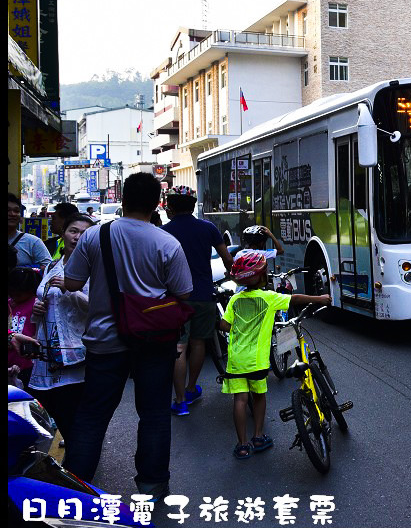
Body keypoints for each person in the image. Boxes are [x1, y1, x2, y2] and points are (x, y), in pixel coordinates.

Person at [61, 172, 193, 500]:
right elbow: (184, 293)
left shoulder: (95, 237)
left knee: (92, 415)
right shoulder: (167, 243)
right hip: (154, 342)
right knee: (154, 413)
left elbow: (73, 283)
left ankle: (76, 486)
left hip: (105, 342)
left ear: (123, 199)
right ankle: (151, 485)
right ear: (155, 204)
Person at [220, 250, 329, 460]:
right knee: (258, 397)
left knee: (240, 400)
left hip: (236, 359)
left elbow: (225, 325)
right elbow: (294, 298)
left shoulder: (234, 300)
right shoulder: (268, 298)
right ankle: (258, 437)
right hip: (257, 361)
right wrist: (320, 298)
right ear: (261, 277)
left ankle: (242, 445)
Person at [161, 188, 232, 416]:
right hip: (203, 295)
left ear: (170, 206)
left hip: (175, 299)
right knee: (199, 342)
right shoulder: (208, 228)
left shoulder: (164, 232)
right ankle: (191, 388)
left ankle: (180, 400)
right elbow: (228, 260)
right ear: (193, 205)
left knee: (179, 347)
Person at [29, 214, 95, 443]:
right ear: (63, 234)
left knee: (71, 409)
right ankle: (79, 452)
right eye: (73, 231)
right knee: (51, 404)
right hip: (48, 352)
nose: (77, 237)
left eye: (84, 233)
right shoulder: (52, 265)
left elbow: (100, 308)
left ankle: (79, 463)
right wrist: (37, 309)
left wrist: (71, 290)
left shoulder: (93, 267)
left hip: (76, 351)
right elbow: (47, 299)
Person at [8, 267, 42, 388]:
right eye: (11, 293)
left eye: (18, 294)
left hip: (27, 363)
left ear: (31, 290)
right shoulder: (9, 304)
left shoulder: (36, 305)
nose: (14, 296)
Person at [8, 194, 53, 270]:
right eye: (8, 210)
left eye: (16, 211)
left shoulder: (33, 242)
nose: (12, 214)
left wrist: (23, 269)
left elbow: (49, 269)